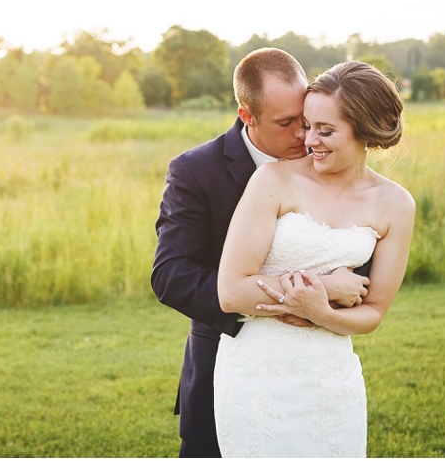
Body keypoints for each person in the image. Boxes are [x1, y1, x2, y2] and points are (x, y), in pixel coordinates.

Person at [152, 48, 372, 458]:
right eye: (287, 123)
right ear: (246, 115)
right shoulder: (196, 171)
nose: (303, 137)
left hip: (317, 374)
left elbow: (356, 262)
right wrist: (290, 298)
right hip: (228, 364)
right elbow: (171, 275)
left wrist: (327, 304)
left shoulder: (326, 157)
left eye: (306, 120)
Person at [214, 60, 415, 457]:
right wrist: (325, 287)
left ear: (365, 131)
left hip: (331, 376)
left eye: (325, 130)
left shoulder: (396, 205)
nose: (309, 140)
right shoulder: (274, 179)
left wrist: (322, 313)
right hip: (258, 375)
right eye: (307, 125)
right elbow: (231, 290)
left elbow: (373, 312)